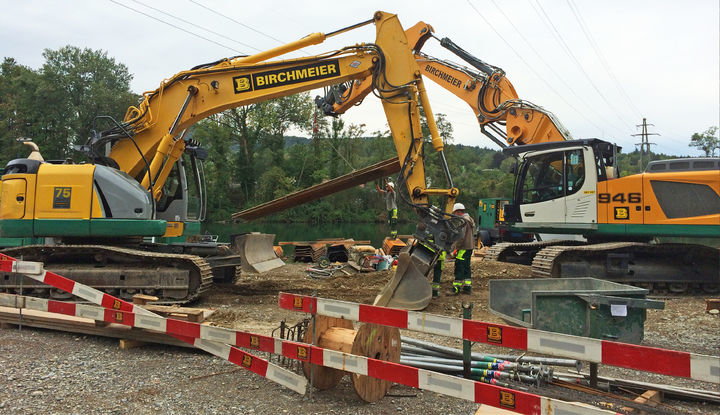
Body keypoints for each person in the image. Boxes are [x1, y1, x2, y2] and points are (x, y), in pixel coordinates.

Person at [450, 202, 475, 295]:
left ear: (457, 211)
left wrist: (456, 248)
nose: (454, 215)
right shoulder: (469, 219)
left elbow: (461, 237)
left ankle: (456, 288)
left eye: (455, 213)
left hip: (463, 247)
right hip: (469, 246)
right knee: (466, 267)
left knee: (459, 266)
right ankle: (467, 287)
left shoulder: (463, 221)